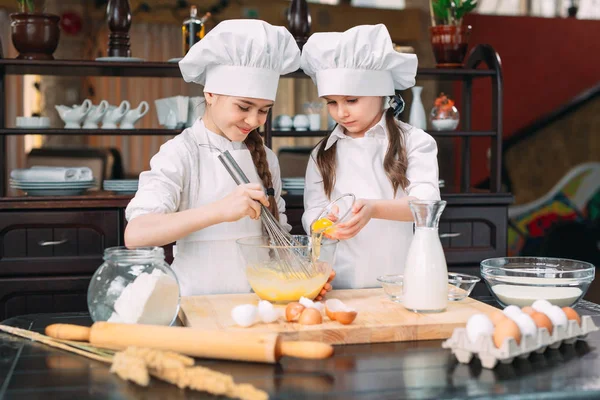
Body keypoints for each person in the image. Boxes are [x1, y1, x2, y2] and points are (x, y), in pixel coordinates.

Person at [124, 19, 312, 297]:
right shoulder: (180, 153)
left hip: (257, 303)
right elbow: (137, 234)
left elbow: (277, 242)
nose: (254, 120)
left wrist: (302, 276)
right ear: (210, 93)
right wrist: (218, 211)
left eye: (264, 110)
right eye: (244, 106)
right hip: (196, 303)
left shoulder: (267, 158)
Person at [300, 24, 441, 289]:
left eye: (351, 100)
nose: (341, 112)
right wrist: (323, 223)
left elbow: (426, 206)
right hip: (337, 282)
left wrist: (374, 209)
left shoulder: (416, 142)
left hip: (400, 280)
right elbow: (313, 210)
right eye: (331, 102)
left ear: (381, 94)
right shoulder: (322, 154)